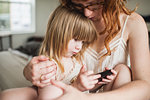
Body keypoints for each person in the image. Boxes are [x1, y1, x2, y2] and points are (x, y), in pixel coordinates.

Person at [0, 0, 150, 99]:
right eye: (79, 5)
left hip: (100, 94)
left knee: (123, 70)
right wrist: (29, 71)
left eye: (94, 5)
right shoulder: (75, 18)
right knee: (8, 96)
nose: (86, 13)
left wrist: (85, 96)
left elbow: (145, 86)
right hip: (75, 89)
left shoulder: (133, 23)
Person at [36, 5, 101, 100]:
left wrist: (98, 83)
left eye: (83, 42)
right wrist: (76, 86)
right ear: (58, 33)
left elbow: (85, 90)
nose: (79, 47)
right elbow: (47, 97)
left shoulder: (77, 60)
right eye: (76, 39)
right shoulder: (48, 65)